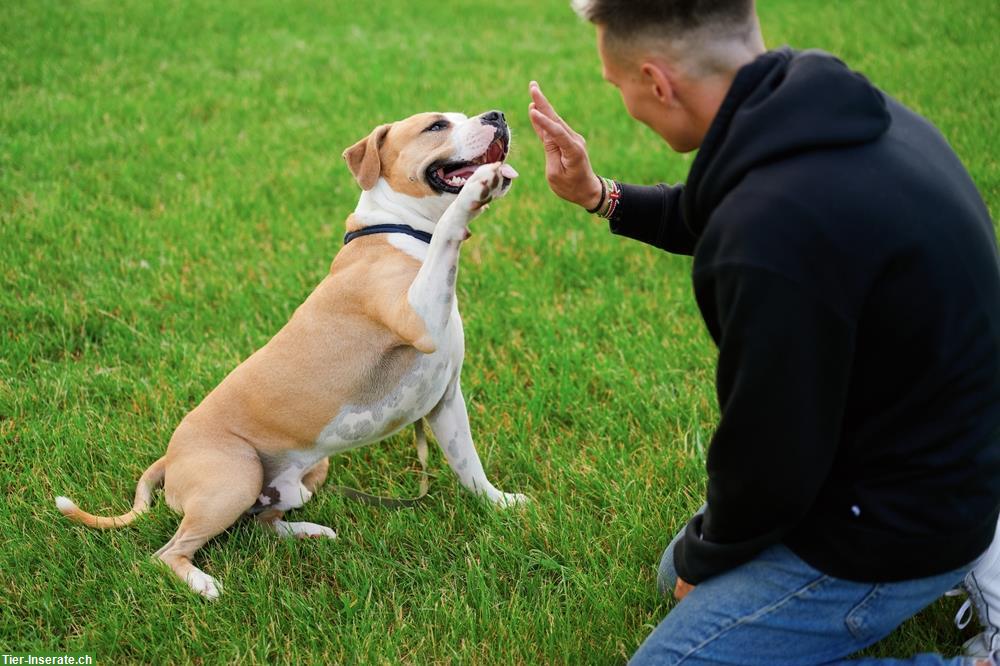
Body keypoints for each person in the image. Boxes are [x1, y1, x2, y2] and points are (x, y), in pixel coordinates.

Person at [527, 1, 1000, 664]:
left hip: (899, 522)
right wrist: (597, 194)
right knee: (677, 573)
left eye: (618, 85)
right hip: (930, 453)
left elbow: (773, 459)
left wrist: (710, 554)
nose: (625, 100)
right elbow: (719, 208)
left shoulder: (774, 232)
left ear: (657, 82)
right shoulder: (823, 111)